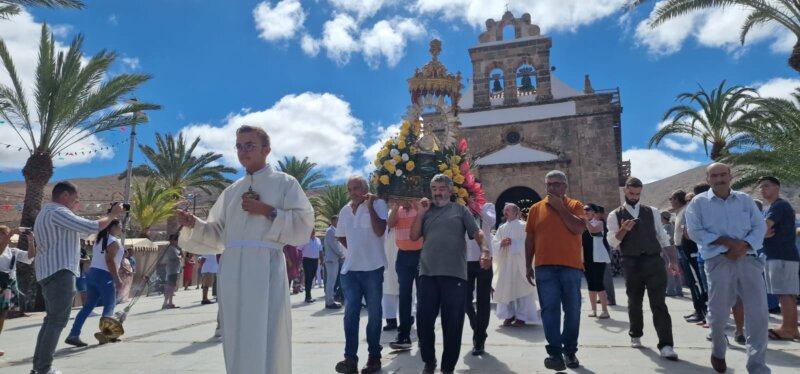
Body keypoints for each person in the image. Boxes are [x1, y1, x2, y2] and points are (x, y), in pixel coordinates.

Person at [176, 125, 314, 374]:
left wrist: (270, 212)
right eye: (239, 146)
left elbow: (304, 226)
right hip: (232, 270)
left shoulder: (285, 183)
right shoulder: (232, 191)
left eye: (249, 145)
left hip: (266, 267)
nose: (243, 151)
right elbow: (218, 234)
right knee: (236, 331)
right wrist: (194, 224)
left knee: (267, 329)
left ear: (266, 149)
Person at [31, 181, 123, 374]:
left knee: (51, 320)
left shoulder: (45, 213)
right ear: (64, 196)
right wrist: (113, 215)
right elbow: (91, 226)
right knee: (56, 321)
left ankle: (39, 367)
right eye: (75, 200)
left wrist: (106, 217)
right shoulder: (58, 212)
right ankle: (44, 368)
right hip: (60, 272)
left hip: (48, 272)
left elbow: (84, 229)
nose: (76, 204)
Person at [685, 163, 769, 374]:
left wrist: (744, 245)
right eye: (714, 175)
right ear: (708, 179)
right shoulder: (698, 204)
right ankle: (718, 350)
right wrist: (726, 243)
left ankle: (757, 366)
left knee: (758, 314)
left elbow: (759, 226)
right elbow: (695, 232)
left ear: (730, 176)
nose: (719, 179)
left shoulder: (745, 200)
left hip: (748, 259)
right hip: (718, 262)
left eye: (723, 174)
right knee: (719, 313)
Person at [409, 174, 491, 374]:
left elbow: (476, 232)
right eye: (435, 188)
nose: (438, 192)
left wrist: (485, 250)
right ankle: (429, 361)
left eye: (442, 188)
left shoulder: (460, 210)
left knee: (452, 323)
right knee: (424, 320)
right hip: (427, 273)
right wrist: (420, 213)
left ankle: (448, 367)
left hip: (455, 275)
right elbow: (413, 237)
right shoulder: (426, 211)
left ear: (450, 190)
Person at [606, 177, 680, 360]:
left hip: (654, 261)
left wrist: (672, 260)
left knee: (659, 304)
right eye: (631, 193)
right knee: (634, 301)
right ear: (625, 191)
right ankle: (636, 334)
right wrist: (623, 230)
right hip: (631, 263)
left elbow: (663, 237)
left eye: (638, 194)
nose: (634, 197)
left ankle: (666, 345)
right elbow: (613, 243)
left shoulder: (652, 212)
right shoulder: (615, 215)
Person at [524, 170, 586, 371]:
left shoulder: (574, 205)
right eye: (549, 184)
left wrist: (560, 208)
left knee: (573, 310)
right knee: (549, 311)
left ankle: (570, 351)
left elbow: (578, 228)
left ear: (565, 186)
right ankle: (555, 353)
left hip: (571, 267)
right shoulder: (535, 208)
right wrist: (527, 264)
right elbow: (530, 238)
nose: (552, 188)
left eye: (557, 184)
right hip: (544, 267)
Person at [334, 176, 387, 374]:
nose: (353, 192)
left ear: (366, 188)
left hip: (373, 268)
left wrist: (371, 206)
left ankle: (374, 357)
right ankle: (350, 359)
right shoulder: (345, 210)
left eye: (357, 188)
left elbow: (380, 230)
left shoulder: (379, 204)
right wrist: (355, 250)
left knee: (374, 314)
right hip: (350, 271)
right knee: (350, 315)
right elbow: (340, 235)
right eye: (350, 189)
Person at [65, 219, 125, 346]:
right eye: (119, 225)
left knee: (88, 307)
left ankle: (73, 334)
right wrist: (117, 279)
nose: (121, 227)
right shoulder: (113, 241)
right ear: (112, 227)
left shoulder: (99, 240)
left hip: (93, 274)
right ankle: (105, 334)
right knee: (109, 305)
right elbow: (109, 261)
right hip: (105, 275)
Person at [757, 176, 800, 341]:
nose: (763, 189)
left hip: (781, 255)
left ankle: (788, 328)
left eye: (766, 186)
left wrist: (760, 234)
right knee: (785, 293)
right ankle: (791, 328)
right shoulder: (772, 207)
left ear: (777, 187)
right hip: (778, 255)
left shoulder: (779, 206)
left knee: (785, 293)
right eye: (761, 187)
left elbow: (764, 227)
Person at [493, 203, 540, 326]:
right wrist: (501, 244)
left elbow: (529, 243)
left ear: (516, 213)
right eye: (505, 210)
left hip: (520, 263)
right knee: (506, 289)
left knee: (522, 289)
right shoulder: (502, 227)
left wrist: (513, 242)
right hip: (506, 263)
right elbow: (495, 242)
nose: (505, 212)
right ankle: (509, 315)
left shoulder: (524, 226)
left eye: (508, 210)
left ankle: (522, 316)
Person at [388, 199, 423, 350]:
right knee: (404, 296)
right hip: (403, 256)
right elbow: (389, 224)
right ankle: (403, 336)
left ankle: (424, 334)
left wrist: (417, 207)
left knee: (423, 297)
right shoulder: (397, 209)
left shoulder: (420, 208)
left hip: (421, 255)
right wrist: (395, 206)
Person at [464, 202, 495, 355]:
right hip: (464, 259)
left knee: (483, 299)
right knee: (464, 298)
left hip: (484, 258)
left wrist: (475, 205)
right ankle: (476, 326)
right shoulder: (459, 207)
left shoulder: (487, 206)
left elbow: (490, 222)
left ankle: (480, 338)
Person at [672, 190, 708, 324]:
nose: (689, 202)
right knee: (692, 283)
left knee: (697, 283)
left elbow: (689, 234)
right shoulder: (684, 211)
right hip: (684, 250)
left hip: (691, 251)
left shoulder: (690, 211)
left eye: (690, 199)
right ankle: (698, 309)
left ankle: (702, 312)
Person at [0, 226, 36, 357]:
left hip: (8, 284)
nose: (4, 235)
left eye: (5, 233)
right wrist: (10, 235)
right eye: (2, 234)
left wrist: (31, 240)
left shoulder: (13, 251)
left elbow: (30, 256)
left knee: (2, 315)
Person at [582, 204, 610, 319]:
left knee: (598, 283)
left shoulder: (599, 223)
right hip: (586, 258)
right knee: (590, 284)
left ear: (594, 212)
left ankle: (605, 310)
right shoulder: (582, 225)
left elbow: (593, 231)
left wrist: (585, 221)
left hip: (598, 257)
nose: (585, 212)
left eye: (588, 210)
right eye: (584, 210)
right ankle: (593, 310)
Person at [323, 215, 344, 309]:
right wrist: (341, 254)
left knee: (332, 281)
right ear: (333, 221)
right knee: (331, 282)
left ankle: (330, 300)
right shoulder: (330, 231)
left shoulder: (333, 231)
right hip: (331, 260)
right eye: (338, 221)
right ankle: (329, 302)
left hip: (334, 260)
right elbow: (334, 245)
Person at [596, 206, 616, 306]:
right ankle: (603, 297)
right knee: (600, 276)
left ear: (601, 213)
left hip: (605, 252)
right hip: (600, 253)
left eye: (596, 212)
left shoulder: (603, 224)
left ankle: (611, 299)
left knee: (606, 277)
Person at [381, 222, 399, 331]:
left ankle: (408, 317)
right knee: (387, 291)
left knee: (407, 291)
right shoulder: (385, 218)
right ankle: (391, 320)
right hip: (387, 261)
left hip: (403, 258)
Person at [661, 211, 683, 297]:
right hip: (673, 249)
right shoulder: (671, 226)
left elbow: (666, 240)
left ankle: (671, 290)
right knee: (675, 270)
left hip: (668, 250)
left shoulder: (666, 227)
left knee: (669, 270)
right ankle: (678, 289)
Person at [299, 229, 322, 303]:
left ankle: (309, 295)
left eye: (313, 231)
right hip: (307, 260)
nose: (312, 232)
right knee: (308, 278)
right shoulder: (305, 240)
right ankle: (307, 296)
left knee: (312, 278)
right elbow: (299, 249)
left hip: (315, 260)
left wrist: (322, 259)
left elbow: (320, 250)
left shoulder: (318, 240)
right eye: (311, 231)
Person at [161, 235, 182, 309]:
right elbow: (175, 258)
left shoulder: (174, 248)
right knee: (170, 287)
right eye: (176, 240)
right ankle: (166, 303)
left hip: (175, 269)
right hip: (172, 270)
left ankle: (170, 302)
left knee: (172, 287)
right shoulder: (170, 249)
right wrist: (180, 257)